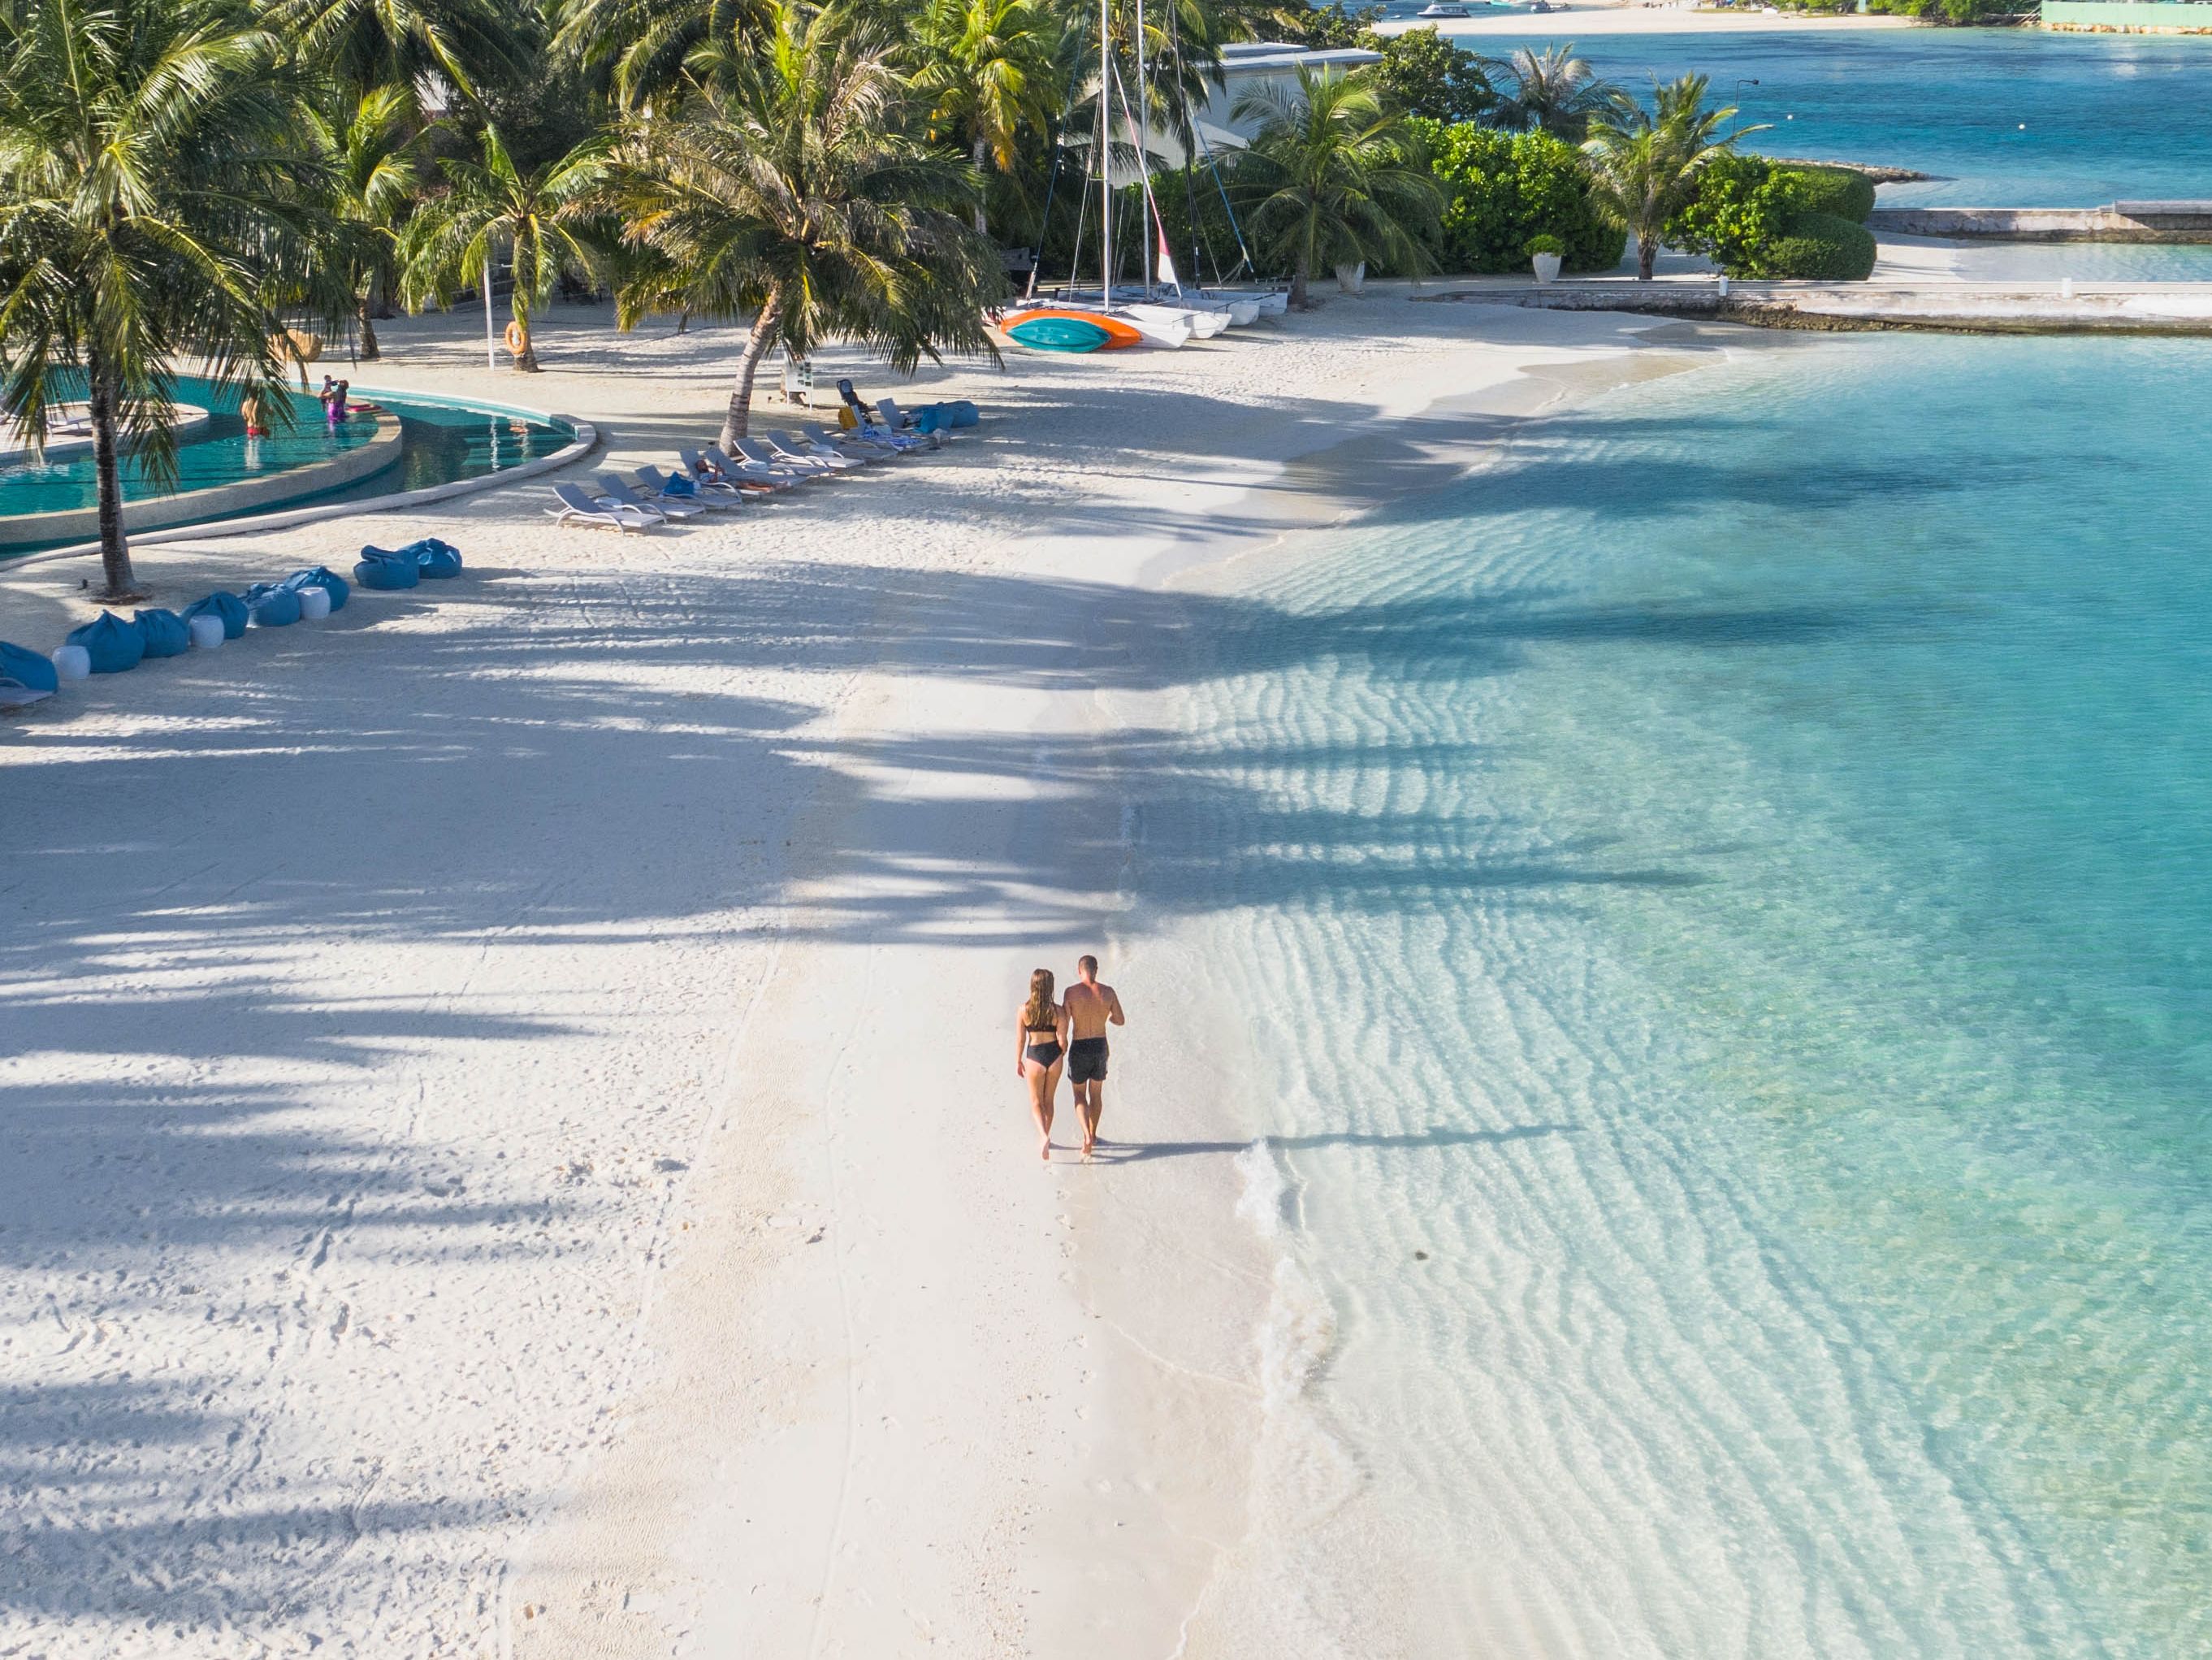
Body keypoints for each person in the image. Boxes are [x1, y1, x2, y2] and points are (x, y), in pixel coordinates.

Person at [1061, 955, 1125, 1160]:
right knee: (1096, 1094)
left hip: (1079, 1046)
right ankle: (1093, 1134)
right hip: (1099, 1046)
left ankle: (1086, 1136)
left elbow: (1064, 1022)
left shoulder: (1071, 992)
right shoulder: (1108, 992)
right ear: (1096, 970)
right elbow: (1120, 1020)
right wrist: (1105, 1016)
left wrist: (1061, 1043)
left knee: (1079, 1095)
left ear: (1079, 970)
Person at [1014, 968, 1066, 1164]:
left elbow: (1020, 1039)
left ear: (1033, 986)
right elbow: (1062, 1040)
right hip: (1054, 1056)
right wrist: (1062, 1052)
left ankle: (1043, 1135)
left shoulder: (1023, 1010)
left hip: (1035, 1056)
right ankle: (1046, 1136)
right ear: (1050, 987)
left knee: (1036, 1102)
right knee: (1049, 1100)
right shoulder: (1058, 1011)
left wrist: (1018, 1060)